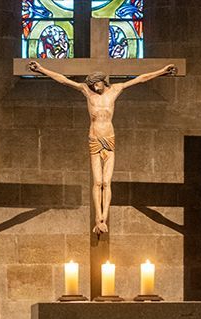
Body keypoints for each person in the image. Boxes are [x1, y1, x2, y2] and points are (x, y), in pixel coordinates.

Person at [28, 60, 177, 235]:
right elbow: (63, 80)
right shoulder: (86, 91)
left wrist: (162, 72)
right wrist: (41, 69)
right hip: (94, 139)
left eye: (96, 84)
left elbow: (141, 79)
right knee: (97, 182)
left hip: (109, 139)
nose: (94, 87)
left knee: (107, 182)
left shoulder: (115, 90)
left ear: (103, 81)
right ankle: (97, 217)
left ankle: (103, 218)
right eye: (92, 85)